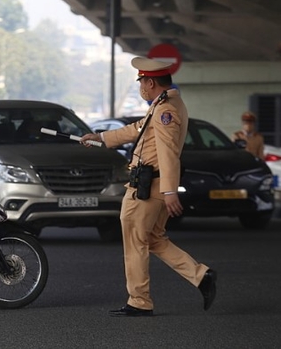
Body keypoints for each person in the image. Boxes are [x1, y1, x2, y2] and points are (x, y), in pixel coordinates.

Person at [80, 57, 217, 317]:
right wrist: (100, 138)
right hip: (154, 186)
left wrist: (169, 191)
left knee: (135, 241)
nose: (141, 86)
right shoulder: (164, 105)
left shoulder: (167, 111)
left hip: (146, 188)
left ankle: (139, 301)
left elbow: (168, 152)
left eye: (142, 81)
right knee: (153, 239)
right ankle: (201, 275)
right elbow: (136, 130)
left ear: (150, 82)